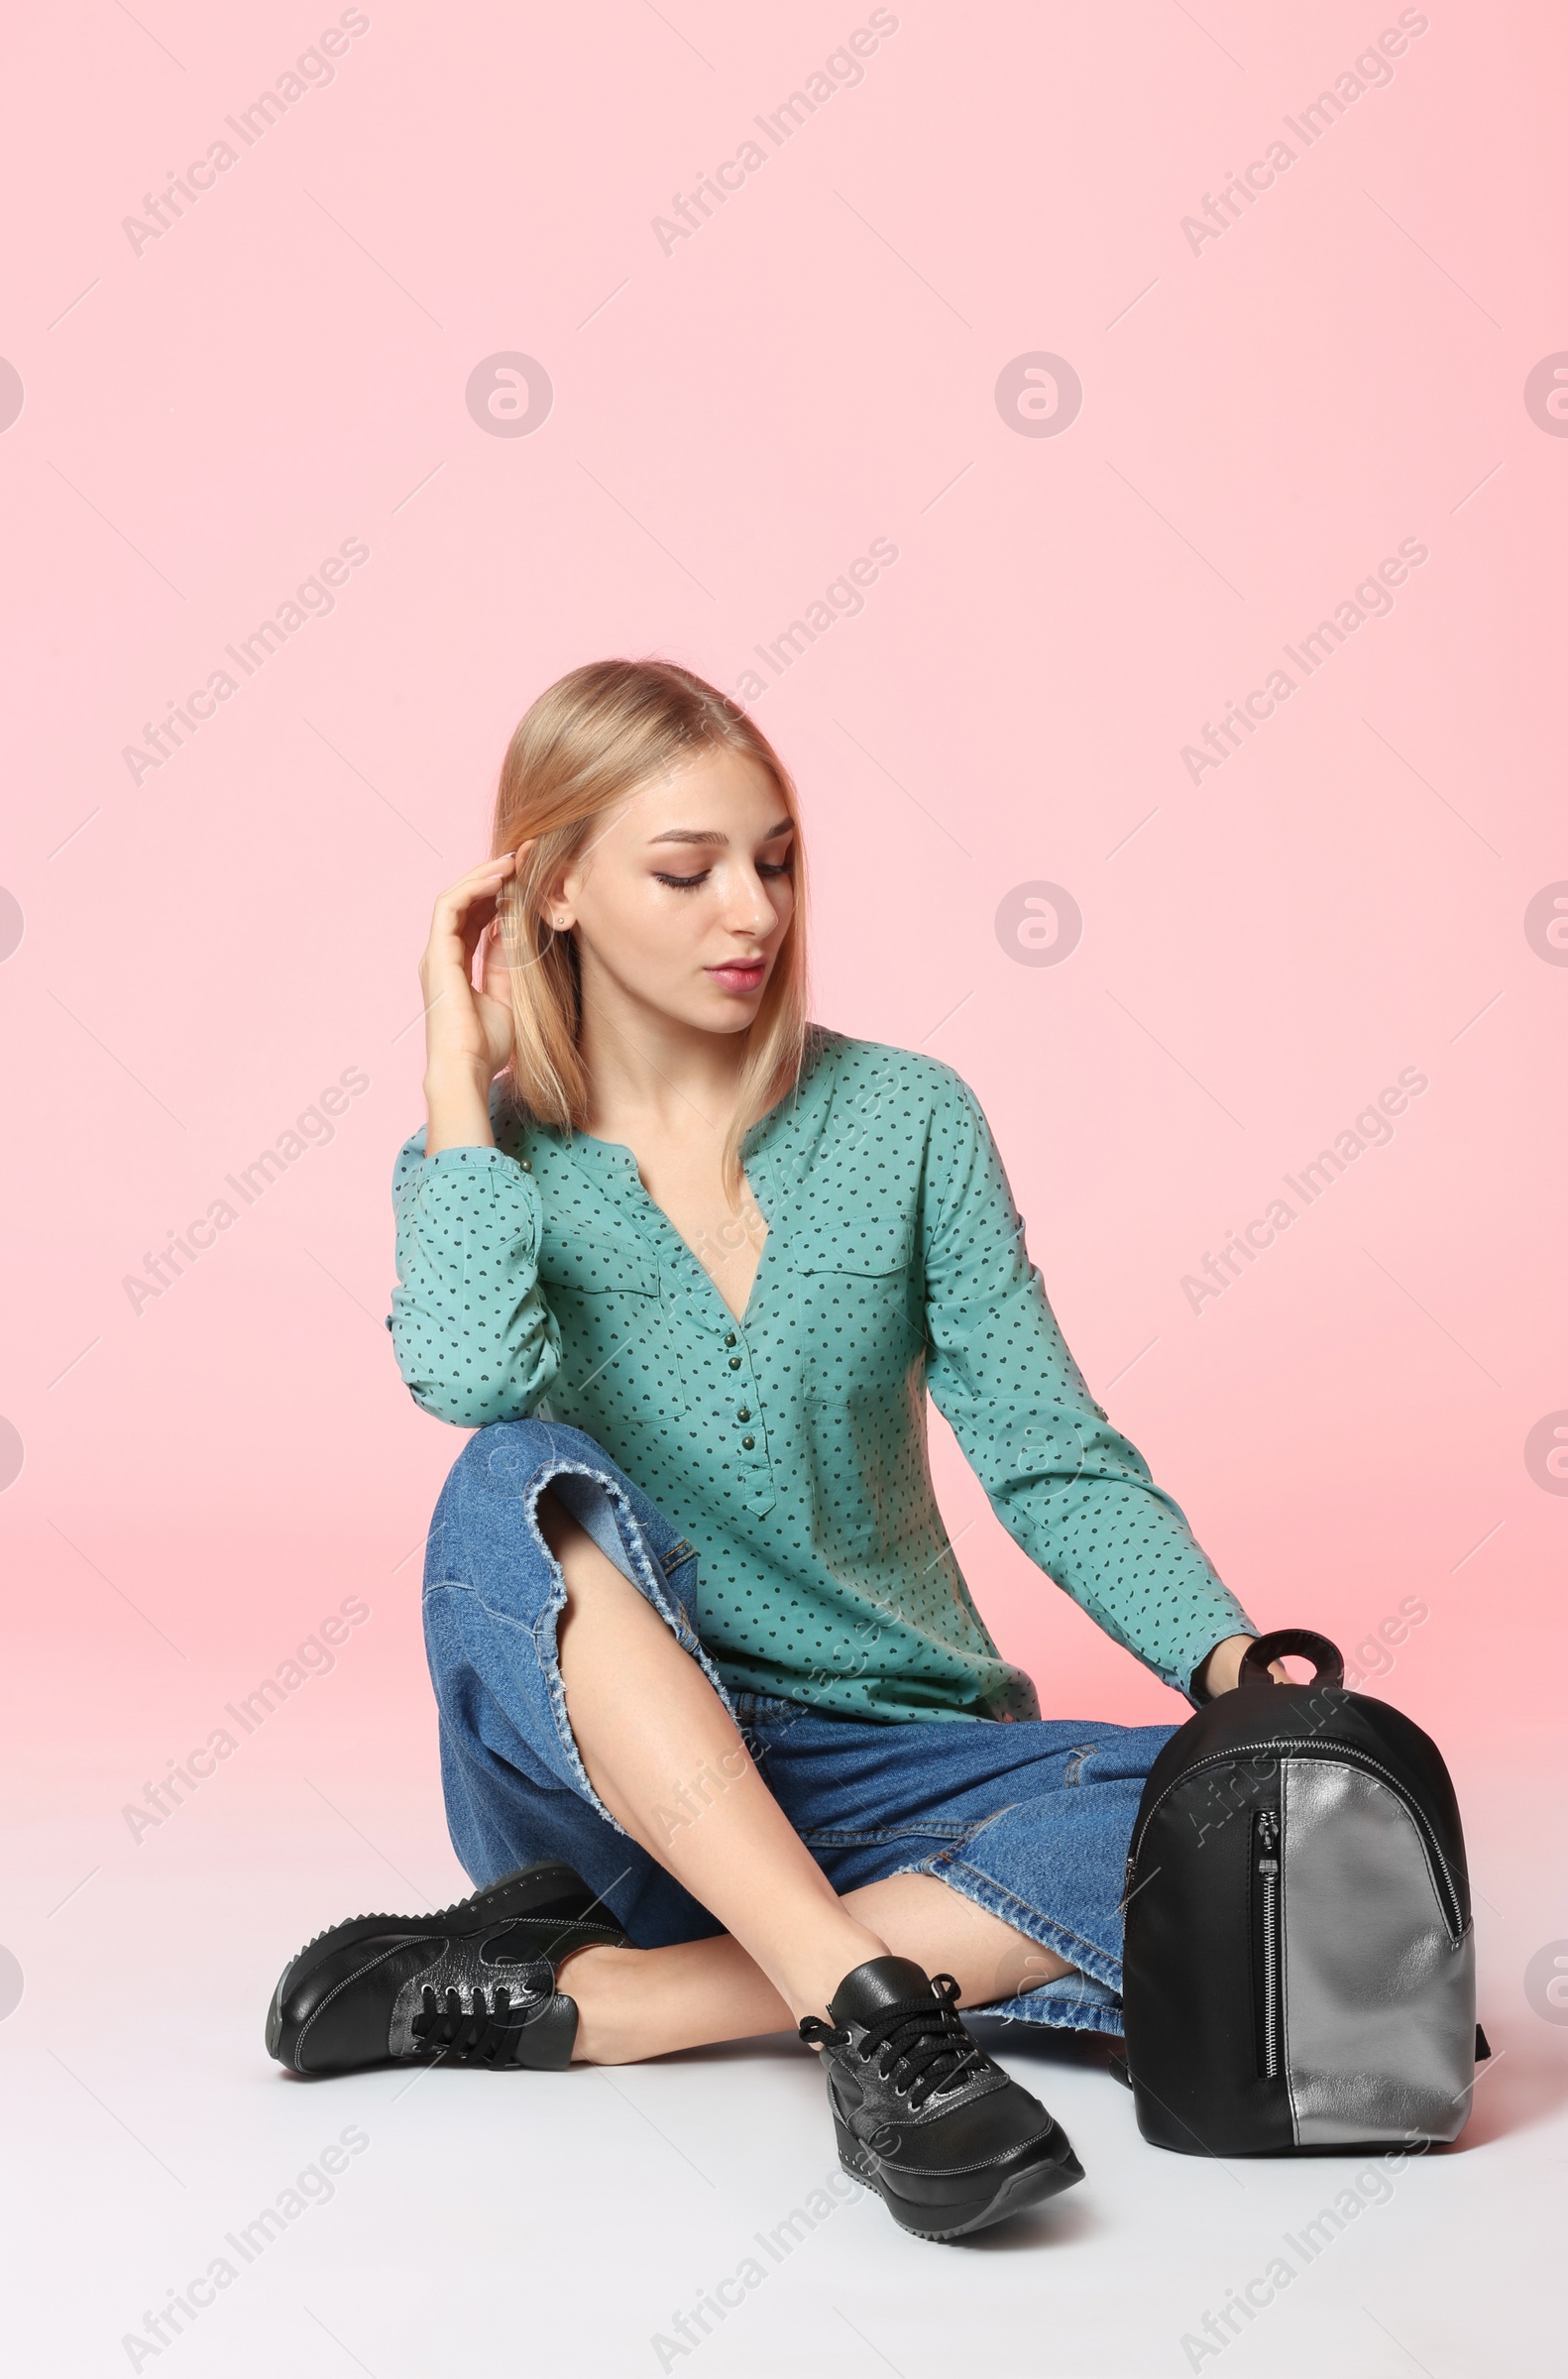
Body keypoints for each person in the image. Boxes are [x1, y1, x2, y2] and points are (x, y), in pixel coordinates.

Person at [265, 658, 1274, 2240]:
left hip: (903, 1757)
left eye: (778, 860)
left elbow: (1049, 1451)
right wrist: (458, 1079)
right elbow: (468, 1380)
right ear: (554, 889)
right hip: (619, 1778)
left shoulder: (910, 1118)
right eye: (688, 871)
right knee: (515, 1477)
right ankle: (883, 2019)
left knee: (1243, 1798)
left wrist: (1229, 1664)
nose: (753, 912)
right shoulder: (486, 1162)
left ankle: (628, 2002)